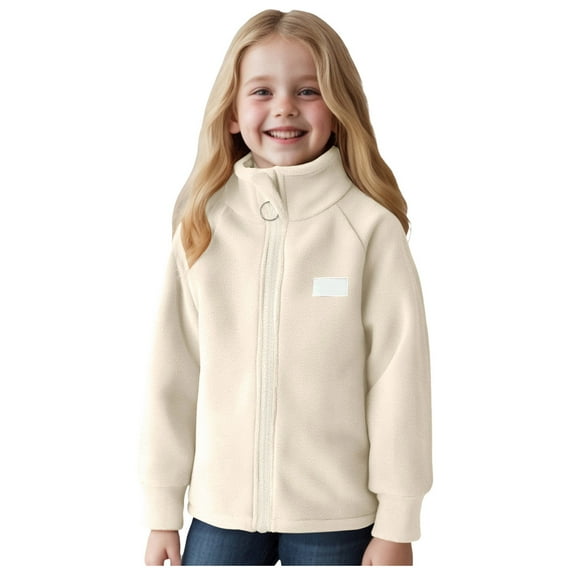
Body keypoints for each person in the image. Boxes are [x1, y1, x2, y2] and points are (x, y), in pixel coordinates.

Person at [140, 9, 432, 566]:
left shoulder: (369, 229)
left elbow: (399, 383)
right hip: (221, 512)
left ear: (340, 108)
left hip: (338, 517)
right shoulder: (203, 226)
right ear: (231, 112)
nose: (284, 107)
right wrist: (162, 509)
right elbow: (171, 374)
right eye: (262, 91)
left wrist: (399, 521)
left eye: (307, 90)